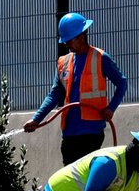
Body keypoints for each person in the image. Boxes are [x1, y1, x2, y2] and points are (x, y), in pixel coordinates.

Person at [24, 12, 129, 165]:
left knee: (84, 177)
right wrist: (36, 119)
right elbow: (54, 94)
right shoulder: (63, 62)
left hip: (91, 133)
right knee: (71, 180)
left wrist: (111, 108)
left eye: (69, 40)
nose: (66, 44)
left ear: (81, 36)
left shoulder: (100, 58)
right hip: (69, 133)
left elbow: (122, 83)